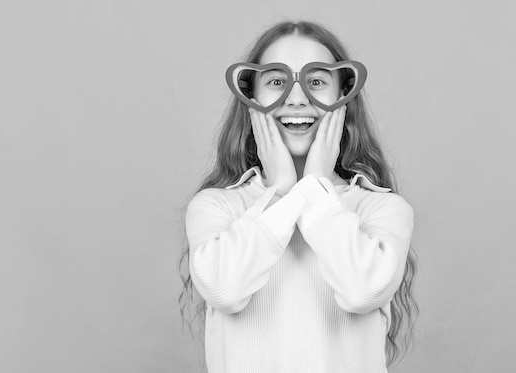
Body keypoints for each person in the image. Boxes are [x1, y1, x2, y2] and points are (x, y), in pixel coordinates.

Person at [178, 20, 418, 373]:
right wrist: (282, 193)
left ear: (342, 100)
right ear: (252, 100)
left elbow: (363, 291)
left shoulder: (381, 210)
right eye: (276, 81)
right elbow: (224, 290)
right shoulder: (218, 207)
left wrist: (313, 187)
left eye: (316, 81)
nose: (296, 97)